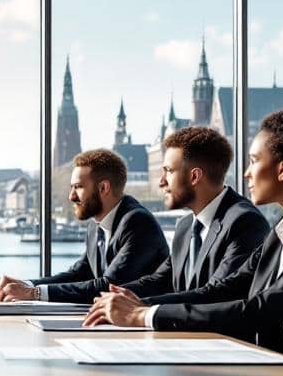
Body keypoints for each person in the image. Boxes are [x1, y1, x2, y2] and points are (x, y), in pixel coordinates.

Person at [85, 108, 283, 366]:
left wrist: (144, 315)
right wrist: (138, 305)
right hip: (278, 374)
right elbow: (223, 290)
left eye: (254, 161)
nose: (246, 173)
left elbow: (262, 309)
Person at [0, 149, 167, 303]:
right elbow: (79, 274)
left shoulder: (137, 222)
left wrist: (35, 293)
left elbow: (109, 285)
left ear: (103, 187)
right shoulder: (95, 227)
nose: (71, 196)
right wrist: (27, 284)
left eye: (78, 187)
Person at [114, 127, 268, 298]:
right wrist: (116, 296)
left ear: (195, 177)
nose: (161, 181)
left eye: (169, 171)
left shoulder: (245, 222)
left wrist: (141, 309)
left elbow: (216, 295)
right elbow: (160, 280)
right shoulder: (185, 226)